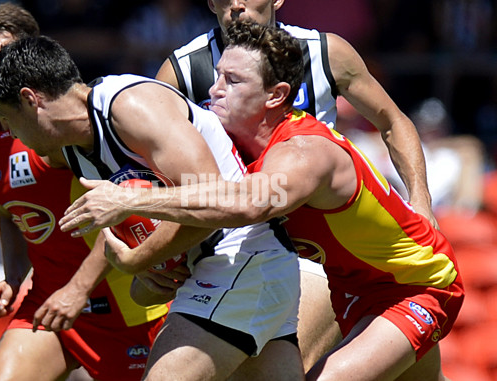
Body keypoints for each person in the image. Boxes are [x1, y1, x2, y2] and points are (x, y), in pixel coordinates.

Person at [59, 21, 465, 380]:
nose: (214, 90)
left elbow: (245, 206)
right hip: (348, 286)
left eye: (232, 82)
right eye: (216, 77)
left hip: (413, 287)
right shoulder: (235, 144)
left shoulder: (302, 153)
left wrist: (130, 202)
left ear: (276, 96)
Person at [0, 34, 305, 381]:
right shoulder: (79, 151)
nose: (9, 131)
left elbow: (216, 198)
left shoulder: (130, 105)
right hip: (228, 271)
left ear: (30, 100)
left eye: (7, 117)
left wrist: (140, 257)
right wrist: (149, 270)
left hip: (242, 258)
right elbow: (152, 242)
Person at [152, 0, 438, 370]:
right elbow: (147, 165)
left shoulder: (324, 52)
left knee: (291, 363)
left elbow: (392, 121)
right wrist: (153, 253)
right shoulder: (182, 69)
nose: (236, 2)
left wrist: (421, 200)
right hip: (230, 241)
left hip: (318, 248)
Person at [0, 4, 170, 380]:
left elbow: (123, 210)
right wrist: (13, 277)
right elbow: (9, 214)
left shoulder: (61, 132)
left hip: (125, 306)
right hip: (49, 302)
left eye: (4, 52)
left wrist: (77, 290)